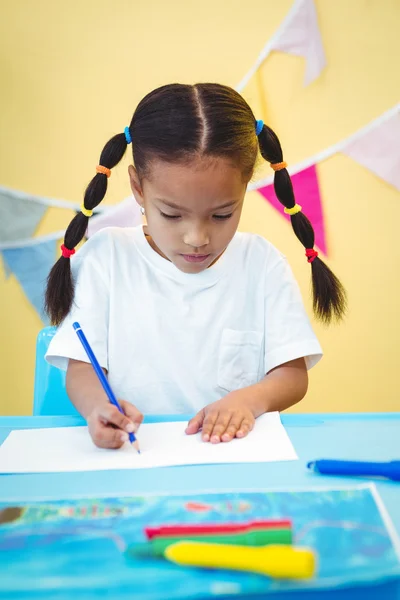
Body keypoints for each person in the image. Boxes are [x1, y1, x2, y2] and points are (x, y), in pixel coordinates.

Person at [45, 83, 346, 450]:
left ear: (245, 187)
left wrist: (249, 401)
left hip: (232, 459)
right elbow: (81, 368)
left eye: (222, 214)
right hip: (133, 458)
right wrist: (98, 408)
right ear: (138, 188)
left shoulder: (262, 264)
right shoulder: (106, 258)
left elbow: (292, 375)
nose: (197, 238)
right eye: (171, 214)